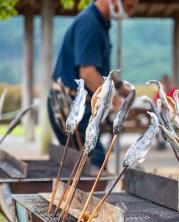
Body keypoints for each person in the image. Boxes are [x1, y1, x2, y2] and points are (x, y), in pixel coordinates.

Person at [48, 0, 138, 167]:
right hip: (68, 105)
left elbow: (97, 68)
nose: (130, 12)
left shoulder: (100, 22)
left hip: (74, 102)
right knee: (92, 161)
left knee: (83, 163)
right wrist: (115, 103)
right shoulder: (90, 24)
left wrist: (119, 86)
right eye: (128, 6)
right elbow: (88, 73)